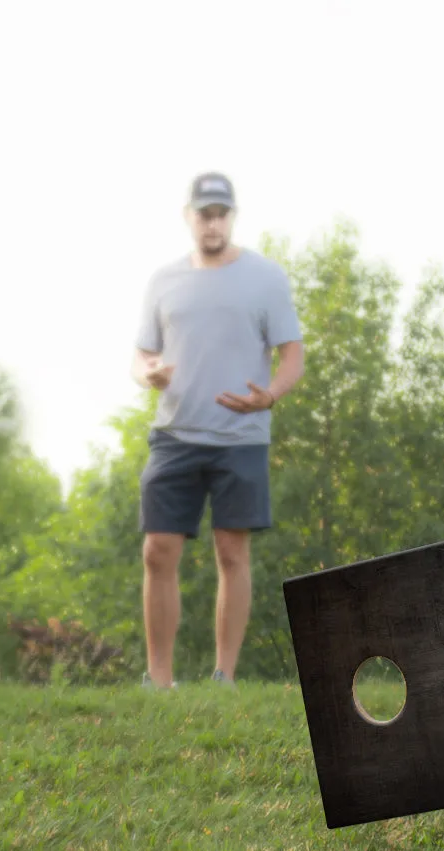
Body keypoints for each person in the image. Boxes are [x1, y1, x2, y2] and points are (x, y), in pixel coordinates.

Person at [132, 172, 304, 689]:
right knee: (157, 550)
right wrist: (149, 373)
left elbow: (292, 354)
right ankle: (159, 680)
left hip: (240, 437)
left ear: (232, 217)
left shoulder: (265, 277)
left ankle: (223, 675)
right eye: (204, 213)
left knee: (233, 552)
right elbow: (142, 354)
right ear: (189, 217)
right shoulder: (163, 280)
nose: (212, 222)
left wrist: (269, 395)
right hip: (174, 435)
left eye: (220, 213)